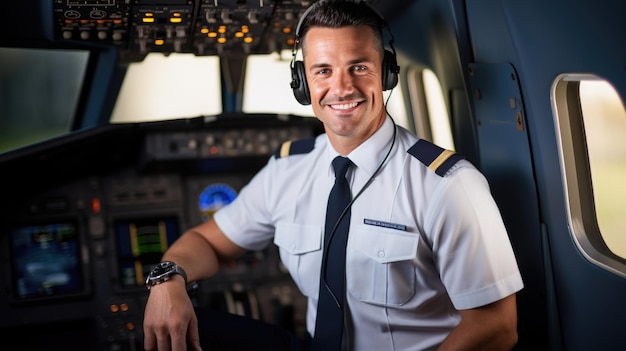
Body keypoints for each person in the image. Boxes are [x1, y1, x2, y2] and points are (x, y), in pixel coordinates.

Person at [142, 1, 524, 350]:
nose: (341, 88)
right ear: (302, 83)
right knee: (175, 332)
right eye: (323, 70)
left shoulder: (448, 184)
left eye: (359, 67)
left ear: (386, 73)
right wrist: (169, 278)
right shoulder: (287, 170)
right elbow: (207, 243)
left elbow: (496, 325)